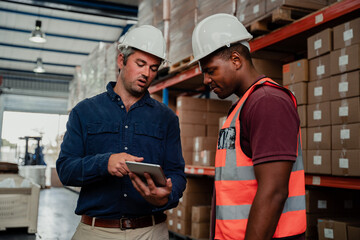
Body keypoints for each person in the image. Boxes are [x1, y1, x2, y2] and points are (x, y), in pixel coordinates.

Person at [57, 25, 186, 240]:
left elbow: (177, 173)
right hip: (96, 231)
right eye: (140, 64)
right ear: (121, 61)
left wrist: (167, 196)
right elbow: (65, 170)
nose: (147, 73)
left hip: (150, 232)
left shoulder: (167, 119)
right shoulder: (84, 112)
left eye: (154, 68)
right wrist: (103, 163)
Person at [190, 14, 306, 240]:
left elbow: (274, 192)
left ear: (235, 59)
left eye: (211, 70)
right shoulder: (243, 105)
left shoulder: (268, 102)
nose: (205, 80)